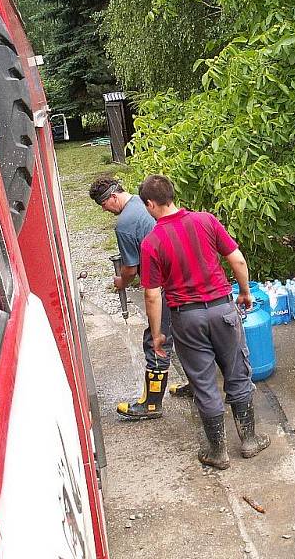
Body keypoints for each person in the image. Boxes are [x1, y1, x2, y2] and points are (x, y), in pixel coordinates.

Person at [138, 174, 269, 470]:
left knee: (204, 381)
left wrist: (158, 334)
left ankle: (218, 452)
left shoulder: (152, 242)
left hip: (187, 318)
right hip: (223, 310)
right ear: (172, 195)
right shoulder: (206, 221)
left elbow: (152, 296)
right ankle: (249, 441)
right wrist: (245, 292)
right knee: (237, 371)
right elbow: (237, 259)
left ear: (150, 204)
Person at [88, 177, 190, 420]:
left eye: (104, 206)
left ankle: (152, 404)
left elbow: (130, 269)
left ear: (113, 198)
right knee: (186, 333)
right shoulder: (142, 204)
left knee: (156, 339)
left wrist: (121, 282)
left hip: (163, 284)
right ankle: (197, 385)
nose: (105, 211)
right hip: (183, 276)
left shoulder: (124, 224)